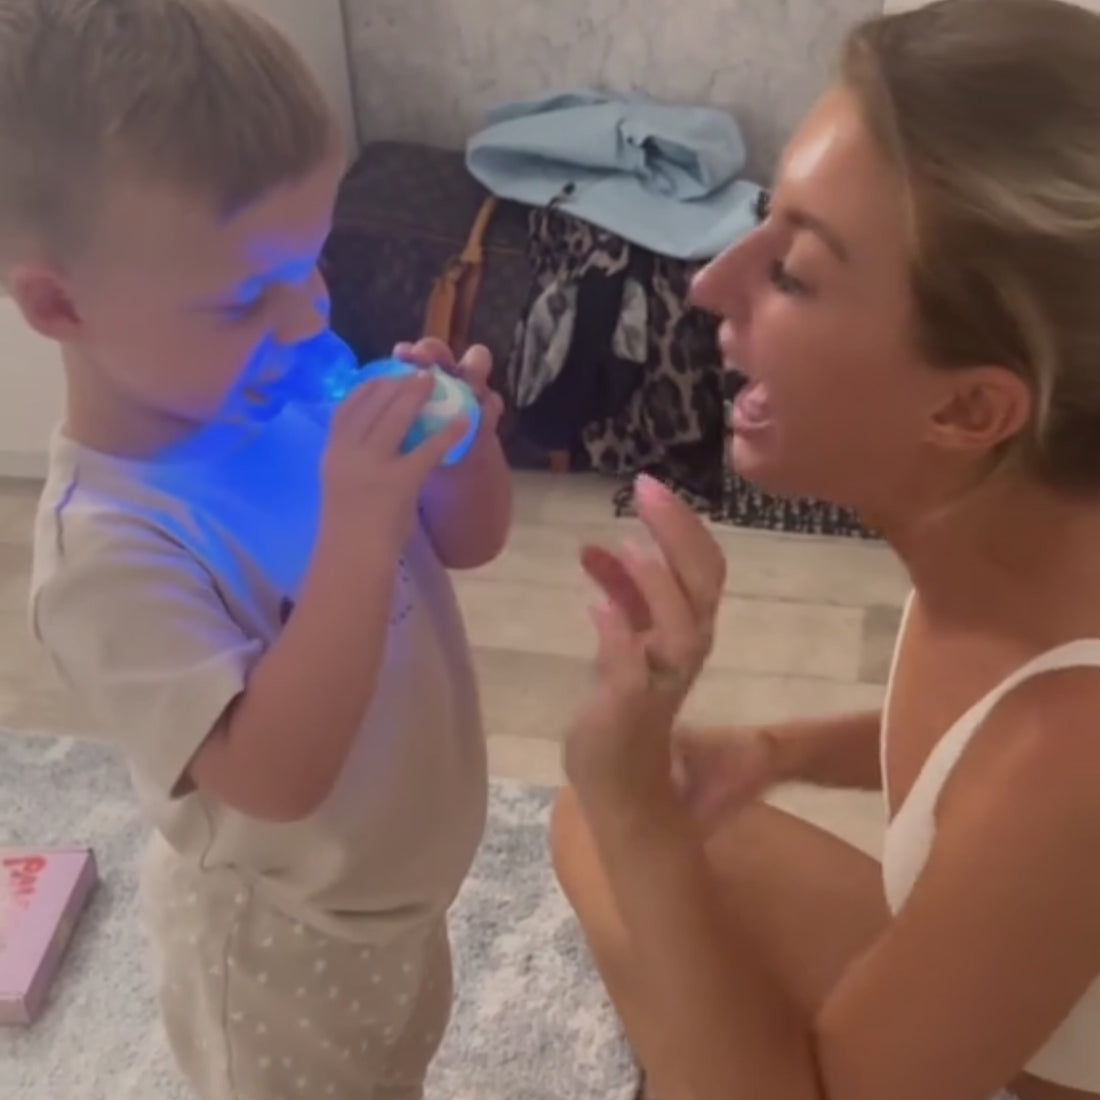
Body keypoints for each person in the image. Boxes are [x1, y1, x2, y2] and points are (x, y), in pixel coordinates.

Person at [550, 2, 1100, 1100]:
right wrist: (776, 747)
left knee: (622, 835)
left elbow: (1027, 784)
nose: (708, 283)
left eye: (793, 272)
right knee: (598, 834)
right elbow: (966, 754)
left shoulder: (1071, 754)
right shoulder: (1018, 524)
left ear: (968, 410)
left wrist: (632, 806)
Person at [2, 2, 511, 1097]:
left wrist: (462, 449)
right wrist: (360, 523)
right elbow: (274, 775)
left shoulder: (277, 387)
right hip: (281, 948)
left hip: (395, 893)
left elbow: (470, 544)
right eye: (244, 297)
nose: (306, 319)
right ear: (59, 303)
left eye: (310, 261)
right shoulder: (108, 551)